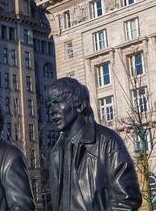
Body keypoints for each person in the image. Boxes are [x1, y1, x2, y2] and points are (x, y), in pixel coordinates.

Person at [46, 77, 142, 210]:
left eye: (57, 102)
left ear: (79, 105)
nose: (52, 110)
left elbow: (127, 200)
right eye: (49, 105)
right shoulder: (55, 153)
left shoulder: (107, 142)